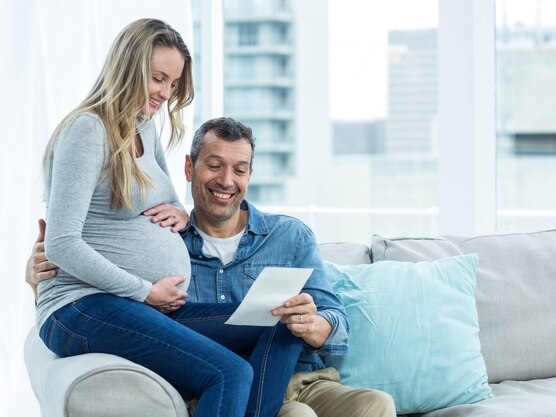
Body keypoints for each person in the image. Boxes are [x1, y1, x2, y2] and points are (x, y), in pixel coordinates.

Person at [28, 116, 396, 417]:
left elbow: (335, 319)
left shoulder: (290, 236)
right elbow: (113, 310)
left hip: (301, 379)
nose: (226, 181)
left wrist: (316, 324)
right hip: (218, 385)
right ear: (189, 168)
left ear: (250, 175)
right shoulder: (164, 237)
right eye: (214, 165)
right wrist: (40, 282)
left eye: (239, 169)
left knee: (376, 403)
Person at [36, 18, 302, 417]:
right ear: (127, 69)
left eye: (173, 83)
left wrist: (178, 211)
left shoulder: (143, 126)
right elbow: (61, 244)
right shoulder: (89, 130)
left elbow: (168, 197)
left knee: (281, 321)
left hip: (136, 308)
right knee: (228, 372)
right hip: (83, 307)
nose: (165, 92)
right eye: (157, 78)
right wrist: (144, 290)